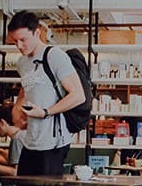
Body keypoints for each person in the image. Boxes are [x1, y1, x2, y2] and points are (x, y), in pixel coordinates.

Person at [8, 10, 85, 176]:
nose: (19, 46)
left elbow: (78, 95)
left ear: (37, 33)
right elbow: (27, 86)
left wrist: (45, 112)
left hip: (54, 142)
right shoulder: (22, 63)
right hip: (30, 140)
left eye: (23, 40)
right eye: (15, 41)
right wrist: (18, 106)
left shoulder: (55, 56)